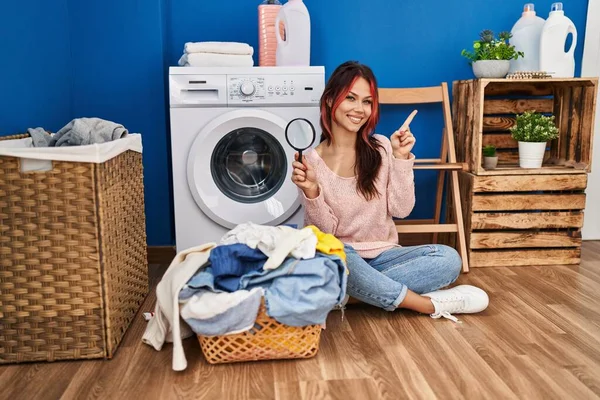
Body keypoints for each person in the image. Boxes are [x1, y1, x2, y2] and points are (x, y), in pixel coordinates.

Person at [291, 61, 488, 322]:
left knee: (448, 258)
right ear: (329, 100)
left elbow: (401, 209)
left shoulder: (381, 147)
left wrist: (401, 159)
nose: (359, 110)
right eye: (350, 98)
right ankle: (427, 305)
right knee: (337, 253)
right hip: (342, 258)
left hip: (386, 256)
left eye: (367, 102)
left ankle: (351, 295)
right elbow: (324, 235)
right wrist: (313, 191)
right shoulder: (309, 161)